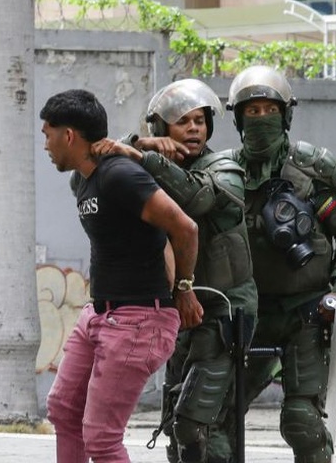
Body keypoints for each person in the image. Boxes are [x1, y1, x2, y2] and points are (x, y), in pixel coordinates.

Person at [90, 79, 258, 463]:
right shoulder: (151, 169)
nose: (195, 128)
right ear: (162, 129)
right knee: (175, 419)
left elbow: (198, 199)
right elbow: (92, 171)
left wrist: (146, 157)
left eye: (200, 120)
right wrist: (141, 144)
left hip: (225, 313)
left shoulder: (225, 167)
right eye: (183, 121)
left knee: (196, 420)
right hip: (179, 314)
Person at [214, 66, 336, 463]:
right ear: (237, 117)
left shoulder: (316, 173)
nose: (261, 119)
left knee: (302, 420)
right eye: (252, 111)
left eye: (269, 109)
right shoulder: (222, 174)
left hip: (306, 312)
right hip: (246, 313)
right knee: (217, 418)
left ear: (286, 114)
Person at [40, 88, 201, 463]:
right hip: (99, 314)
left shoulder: (120, 175)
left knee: (101, 439)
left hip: (138, 320)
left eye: (48, 134)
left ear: (68, 136)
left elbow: (185, 228)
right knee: (64, 410)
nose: (45, 144)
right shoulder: (84, 179)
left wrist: (185, 289)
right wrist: (139, 141)